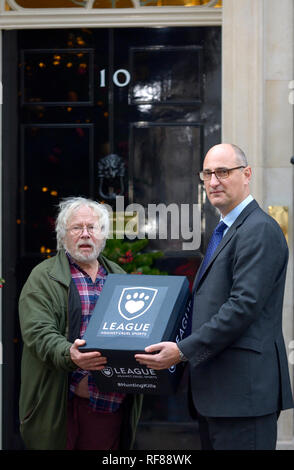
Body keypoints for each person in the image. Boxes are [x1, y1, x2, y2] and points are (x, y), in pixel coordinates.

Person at [135, 143, 293, 450]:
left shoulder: (258, 229)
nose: (213, 181)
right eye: (207, 173)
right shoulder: (227, 228)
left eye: (223, 172)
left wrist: (181, 350)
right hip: (219, 396)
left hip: (243, 397)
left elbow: (242, 307)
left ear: (247, 175)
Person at [19, 197, 143, 450]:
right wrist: (69, 354)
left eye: (92, 227)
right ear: (63, 235)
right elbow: (38, 333)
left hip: (109, 404)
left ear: (103, 235)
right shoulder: (43, 277)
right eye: (77, 228)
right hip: (60, 404)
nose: (85, 234)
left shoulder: (119, 276)